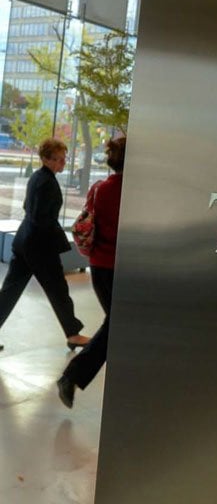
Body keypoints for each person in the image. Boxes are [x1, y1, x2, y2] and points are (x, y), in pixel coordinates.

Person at [0, 138, 90, 352]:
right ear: (46, 159)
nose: (63, 162)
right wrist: (57, 236)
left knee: (10, 290)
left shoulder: (37, 177)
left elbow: (27, 207)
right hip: (40, 247)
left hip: (25, 241)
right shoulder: (47, 182)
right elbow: (42, 218)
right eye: (59, 159)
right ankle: (73, 334)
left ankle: (72, 332)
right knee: (58, 290)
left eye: (64, 158)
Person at [57, 137, 126, 408]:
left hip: (99, 266)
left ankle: (73, 377)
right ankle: (71, 376)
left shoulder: (99, 189)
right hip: (121, 268)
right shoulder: (134, 193)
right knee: (117, 325)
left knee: (116, 324)